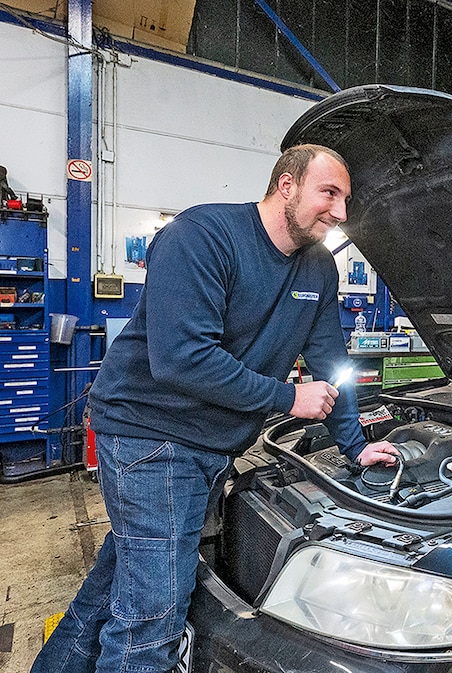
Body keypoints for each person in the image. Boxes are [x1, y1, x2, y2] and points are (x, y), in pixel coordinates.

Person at [33, 144, 400, 673]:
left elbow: (330, 360)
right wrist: (286, 398)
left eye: (344, 198)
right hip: (150, 435)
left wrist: (355, 445)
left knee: (123, 579)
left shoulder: (318, 268)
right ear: (287, 185)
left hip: (216, 445)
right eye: (329, 193)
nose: (341, 212)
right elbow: (182, 361)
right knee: (151, 617)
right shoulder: (202, 236)